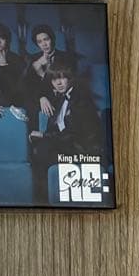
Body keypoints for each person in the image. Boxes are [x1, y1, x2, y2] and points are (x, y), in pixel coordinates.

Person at [29, 66, 103, 204]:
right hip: (68, 144)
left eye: (62, 78)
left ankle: (43, 201)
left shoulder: (80, 99)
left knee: (42, 151)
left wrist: (44, 136)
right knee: (38, 149)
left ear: (70, 78)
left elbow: (74, 134)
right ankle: (42, 199)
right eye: (54, 79)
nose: (58, 83)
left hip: (82, 149)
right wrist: (42, 97)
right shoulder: (62, 97)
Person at [21, 24, 78, 127]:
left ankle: (51, 133)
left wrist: (42, 73)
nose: (44, 44)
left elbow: (68, 84)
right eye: (39, 42)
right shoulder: (33, 59)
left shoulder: (67, 57)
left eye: (46, 39)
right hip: (39, 97)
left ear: (52, 39)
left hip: (59, 95)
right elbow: (27, 85)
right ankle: (32, 133)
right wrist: (41, 97)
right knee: (29, 103)